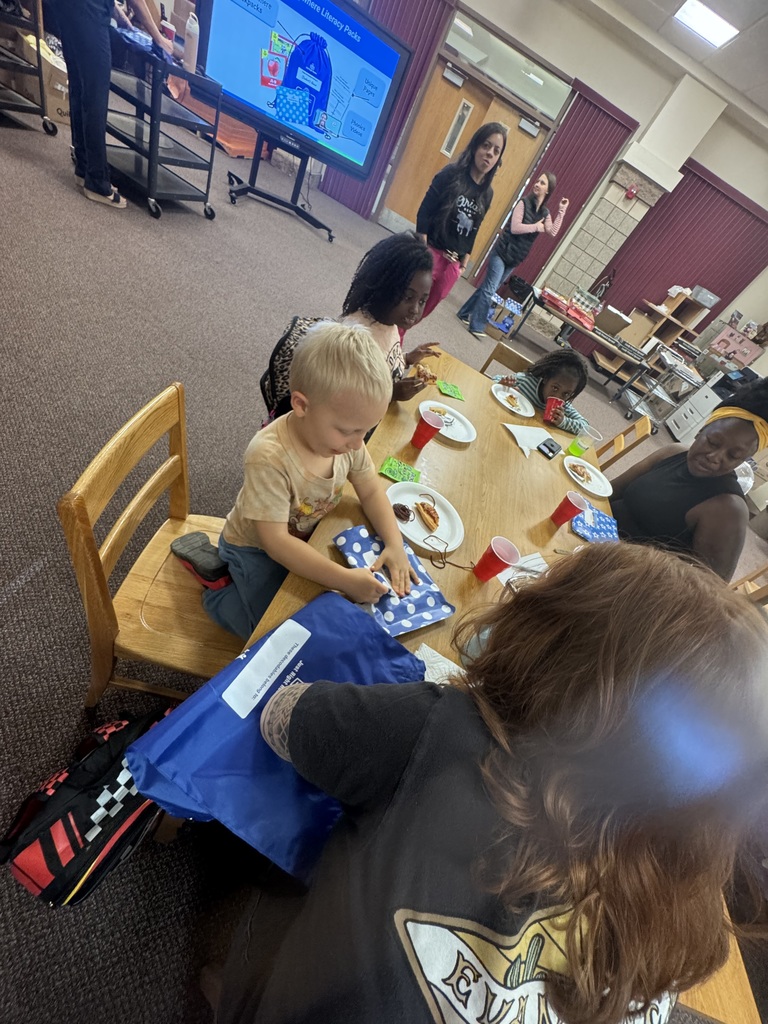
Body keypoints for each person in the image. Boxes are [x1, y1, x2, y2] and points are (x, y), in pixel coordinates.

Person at [216, 543, 768, 1024]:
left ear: (545, 642)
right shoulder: (689, 913)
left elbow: (283, 716)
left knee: (276, 854)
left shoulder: (446, 730)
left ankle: (236, 998)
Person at [197, 323, 418, 639]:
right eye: (347, 431)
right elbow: (275, 543)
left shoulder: (346, 442)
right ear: (301, 405)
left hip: (303, 538)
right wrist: (342, 579)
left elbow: (370, 490)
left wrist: (395, 544)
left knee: (318, 611)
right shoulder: (269, 456)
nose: (358, 443)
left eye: (365, 431)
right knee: (271, 631)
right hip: (253, 548)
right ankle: (217, 589)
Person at [610, 380, 768, 580]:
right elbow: (612, 491)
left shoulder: (729, 510)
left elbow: (706, 589)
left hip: (623, 578)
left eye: (733, 456)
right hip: (592, 533)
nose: (715, 457)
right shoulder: (672, 453)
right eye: (712, 442)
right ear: (701, 432)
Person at [45, 0, 172, 208]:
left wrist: (119, 15)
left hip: (67, 7)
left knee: (80, 83)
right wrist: (158, 38)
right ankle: (96, 181)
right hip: (89, 10)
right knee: (95, 92)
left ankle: (84, 165)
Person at [411, 122, 507, 331]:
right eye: (486, 146)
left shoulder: (487, 194)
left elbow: (474, 227)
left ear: (498, 159)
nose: (489, 154)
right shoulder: (451, 174)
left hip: (453, 265)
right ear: (475, 147)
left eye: (496, 151)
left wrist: (465, 261)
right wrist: (423, 250)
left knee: (422, 314)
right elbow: (425, 211)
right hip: (431, 252)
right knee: (408, 307)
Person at [458, 171, 569, 338]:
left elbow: (552, 231)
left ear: (548, 190)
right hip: (501, 252)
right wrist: (535, 227)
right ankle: (477, 326)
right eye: (537, 181)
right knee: (489, 290)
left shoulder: (545, 213)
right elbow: (516, 228)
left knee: (490, 287)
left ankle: (464, 313)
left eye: (542, 183)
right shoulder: (523, 203)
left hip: (515, 258)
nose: (537, 184)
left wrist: (561, 211)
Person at [341, 232, 441, 403]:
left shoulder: (389, 323)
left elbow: (383, 362)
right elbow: (346, 401)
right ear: (384, 287)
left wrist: (407, 358)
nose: (415, 310)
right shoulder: (356, 341)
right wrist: (391, 395)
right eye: (408, 298)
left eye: (423, 300)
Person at [500, 349, 590, 434]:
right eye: (555, 388)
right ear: (546, 378)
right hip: (505, 423)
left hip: (530, 434)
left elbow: (586, 427)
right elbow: (495, 379)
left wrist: (563, 421)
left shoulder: (563, 405)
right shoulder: (526, 381)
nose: (558, 396)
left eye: (566, 394)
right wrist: (503, 385)